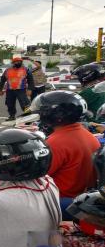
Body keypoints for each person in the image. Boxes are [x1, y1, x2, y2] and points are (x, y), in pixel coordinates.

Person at [29, 90, 100, 220]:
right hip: (82, 197)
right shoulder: (88, 135)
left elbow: (35, 177)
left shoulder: (56, 142)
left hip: (61, 199)